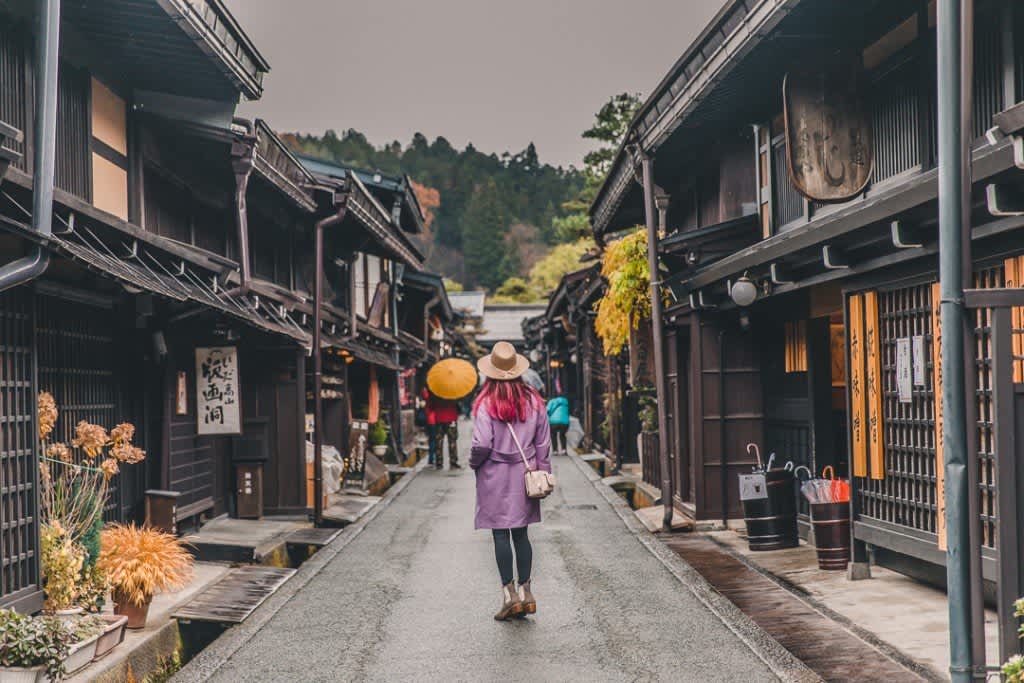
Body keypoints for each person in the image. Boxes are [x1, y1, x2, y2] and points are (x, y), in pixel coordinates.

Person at [470, 341, 552, 620]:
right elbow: (543, 443)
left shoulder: (486, 403)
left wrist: (473, 463)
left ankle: (509, 596)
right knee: (521, 533)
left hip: (494, 474)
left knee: (500, 534)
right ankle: (527, 592)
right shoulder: (534, 401)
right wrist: (544, 472)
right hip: (524, 474)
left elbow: (481, 444)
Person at [423, 387, 460, 470]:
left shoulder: (436, 393)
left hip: (439, 419)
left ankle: (439, 463)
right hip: (451, 418)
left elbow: (431, 406)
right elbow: (458, 405)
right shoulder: (454, 392)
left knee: (439, 442)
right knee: (452, 441)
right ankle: (453, 462)